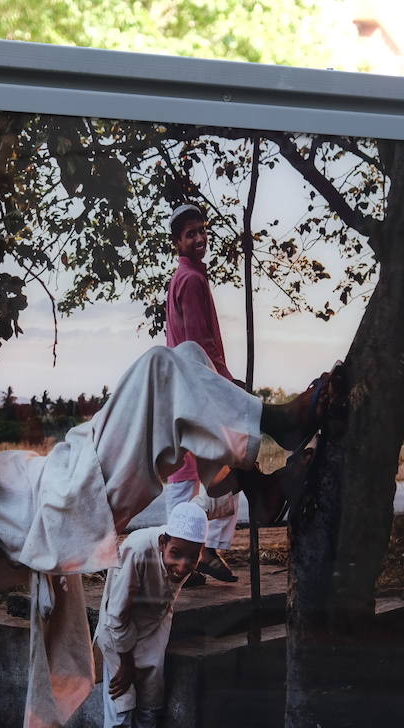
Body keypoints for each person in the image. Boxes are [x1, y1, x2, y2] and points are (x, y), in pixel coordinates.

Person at [0, 321, 326, 728]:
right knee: (164, 372)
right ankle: (279, 424)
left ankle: (251, 487)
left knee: (185, 359)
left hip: (60, 474)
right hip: (69, 507)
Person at [94, 502, 207, 728]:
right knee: (121, 712)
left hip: (155, 629)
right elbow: (117, 617)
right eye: (176, 554)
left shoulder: (182, 557)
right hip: (121, 633)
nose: (183, 565)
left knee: (149, 711)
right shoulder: (136, 550)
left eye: (193, 556)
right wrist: (126, 664)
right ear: (162, 543)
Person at [163, 203, 240, 586]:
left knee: (185, 473)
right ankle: (204, 551)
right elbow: (198, 343)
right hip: (199, 386)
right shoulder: (191, 281)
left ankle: (185, 553)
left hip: (182, 388)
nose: (199, 238)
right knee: (227, 468)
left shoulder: (182, 278)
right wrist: (226, 383)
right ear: (177, 242)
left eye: (202, 230)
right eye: (190, 233)